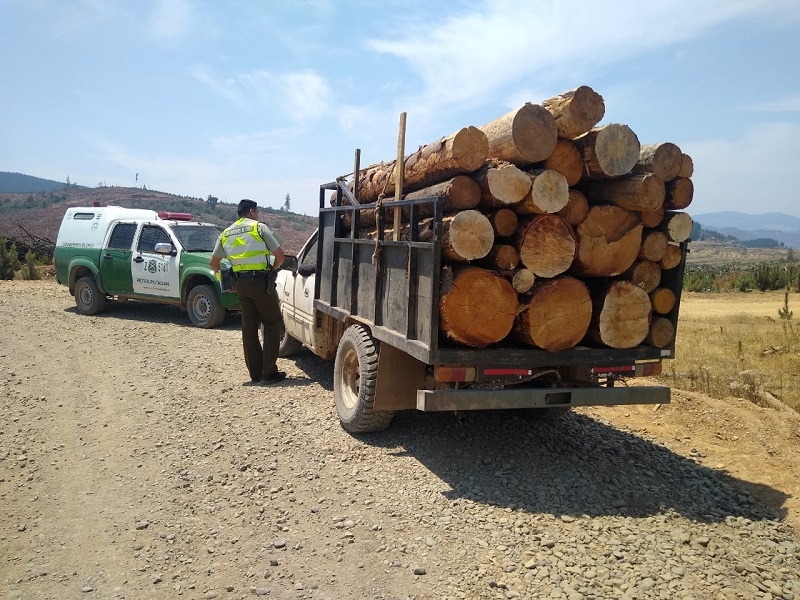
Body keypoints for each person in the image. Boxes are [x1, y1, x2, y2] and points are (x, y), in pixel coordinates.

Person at [211, 199, 286, 385]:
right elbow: (280, 256)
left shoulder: (226, 233)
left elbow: (214, 263)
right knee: (272, 322)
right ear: (252, 212)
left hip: (241, 285)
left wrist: (227, 282)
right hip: (260, 282)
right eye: (257, 211)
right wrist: (272, 270)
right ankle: (269, 372)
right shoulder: (258, 228)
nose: (258, 214)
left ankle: (255, 374)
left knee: (249, 327)